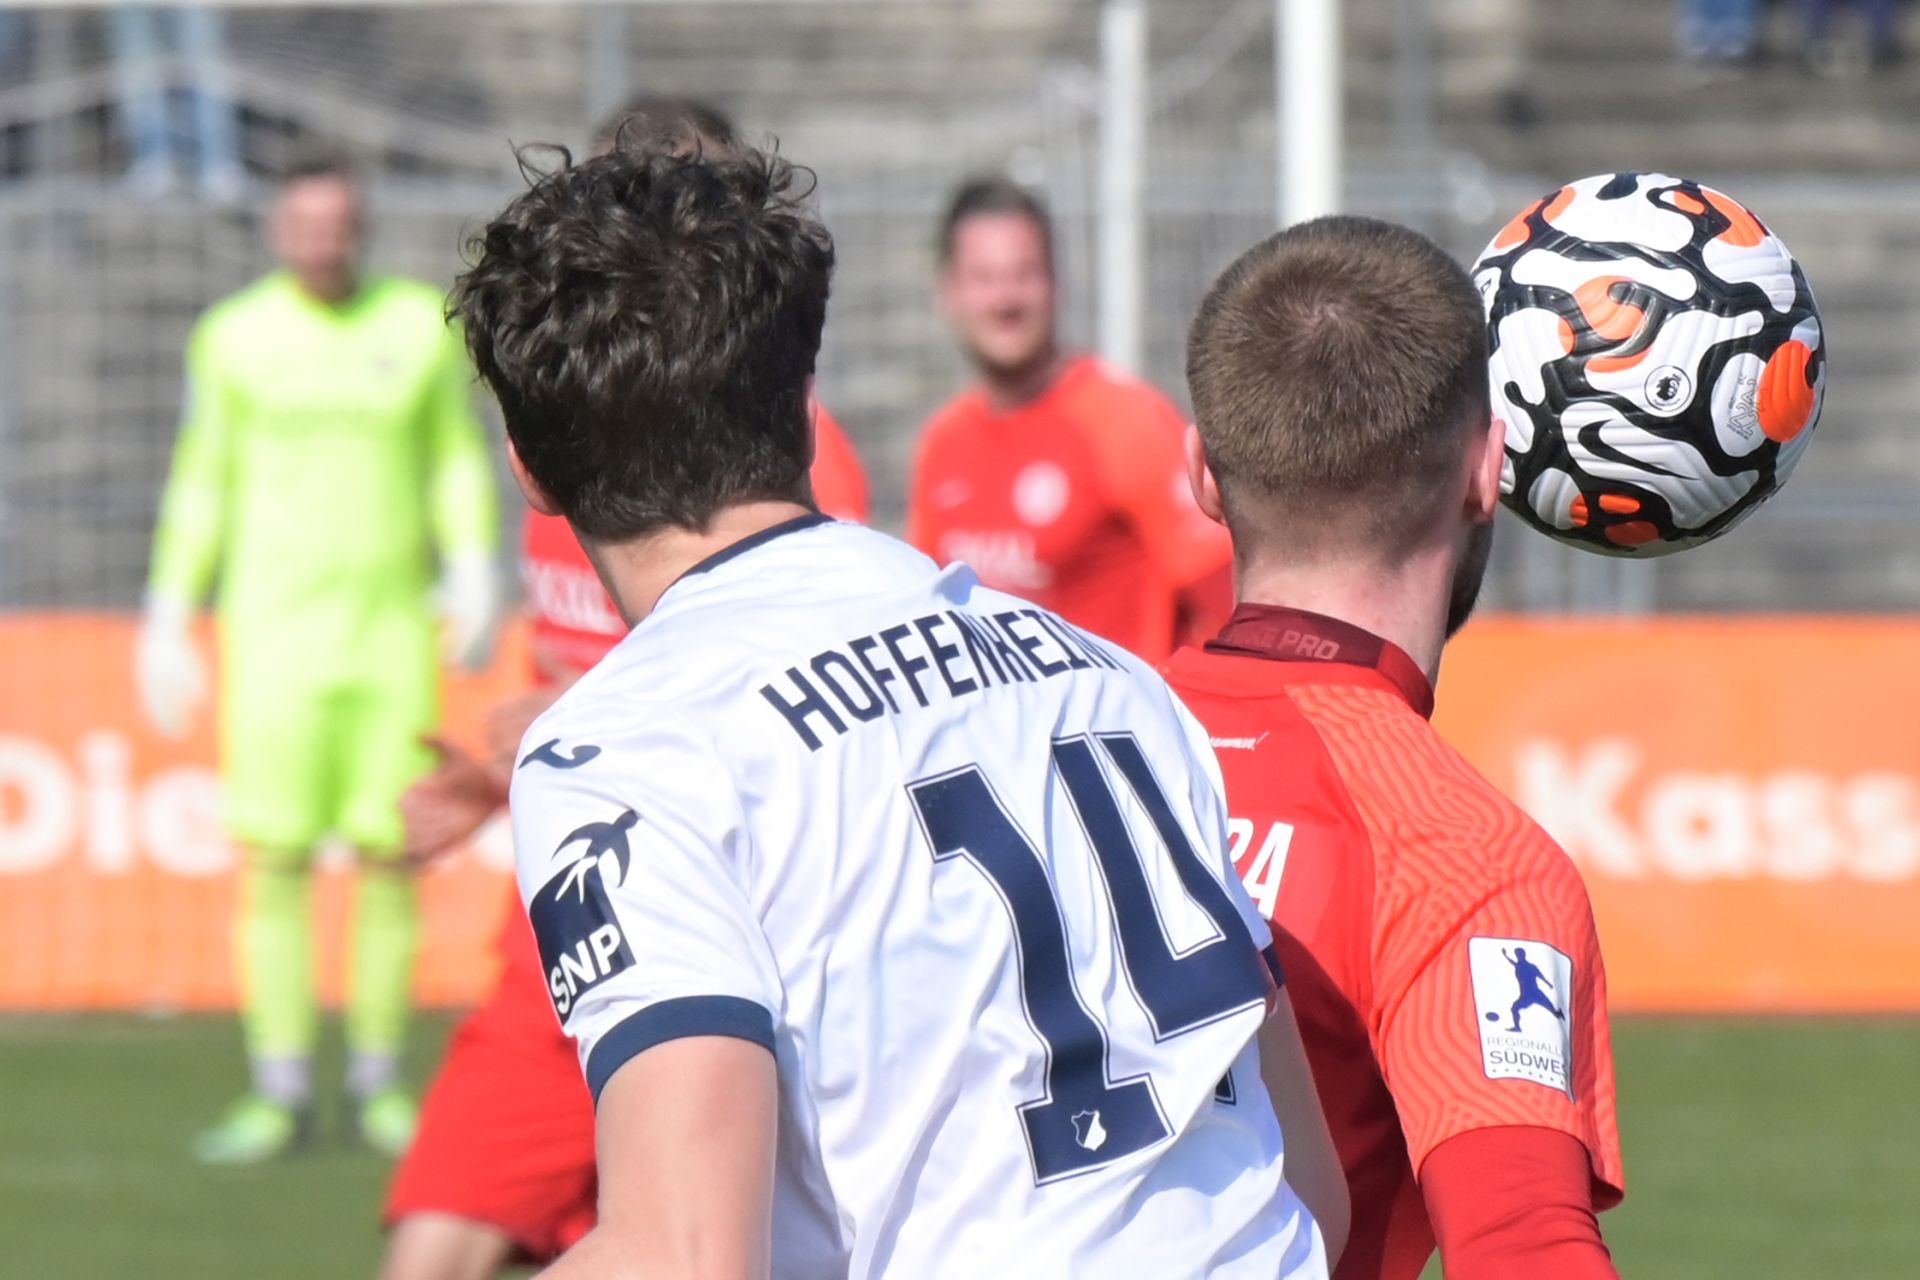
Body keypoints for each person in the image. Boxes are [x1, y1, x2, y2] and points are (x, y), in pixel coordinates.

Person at [450, 132, 1341, 1278]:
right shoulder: (1111, 679)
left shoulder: (622, 745)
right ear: (802, 401)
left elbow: (685, 1254)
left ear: (529, 467)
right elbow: (1308, 1186)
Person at [379, 98, 870, 1280]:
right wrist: (506, 773)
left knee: (694, 1241)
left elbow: (811, 689)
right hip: (568, 904)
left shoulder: (793, 455)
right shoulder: (579, 432)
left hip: (726, 912)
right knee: (433, 1245)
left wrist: (565, 721)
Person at [1162, 215, 1624, 1279]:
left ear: (1202, 470)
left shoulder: (1042, 745)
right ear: (1489, 469)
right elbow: (1521, 1245)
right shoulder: (1457, 850)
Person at [137, 148, 501, 1163]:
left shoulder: (415, 327)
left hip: (389, 635)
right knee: (277, 859)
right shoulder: (234, 339)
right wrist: (169, 606)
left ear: (360, 225)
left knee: (392, 856)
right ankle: (280, 1086)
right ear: (275, 229)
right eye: (302, 223)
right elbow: (203, 477)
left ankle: (379, 1082)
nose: (319, 240)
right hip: (274, 639)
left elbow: (452, 460)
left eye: (335, 223)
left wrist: (473, 562)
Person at [906, 177, 1230, 665]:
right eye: (983, 278)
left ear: (1056, 281)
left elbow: (1225, 599)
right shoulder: (942, 441)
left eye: (1024, 274)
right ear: (948, 291)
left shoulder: (1123, 420)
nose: (1005, 300)